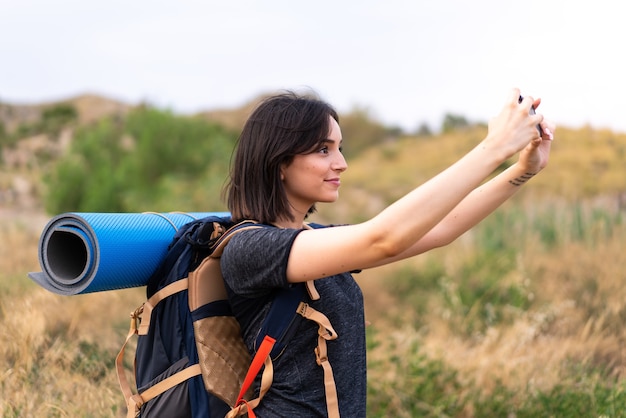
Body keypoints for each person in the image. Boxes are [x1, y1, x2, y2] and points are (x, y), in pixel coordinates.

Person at [220, 89, 554, 417]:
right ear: (279, 162)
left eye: (339, 148)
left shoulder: (310, 240)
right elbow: (384, 238)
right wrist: (494, 148)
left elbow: (440, 229)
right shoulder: (251, 249)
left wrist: (524, 169)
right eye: (324, 150)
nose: (342, 163)